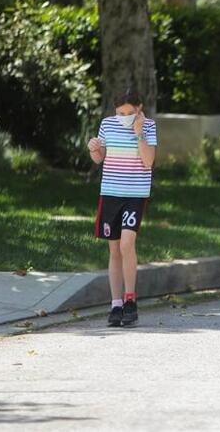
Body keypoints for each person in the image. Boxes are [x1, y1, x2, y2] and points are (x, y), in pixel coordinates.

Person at [87, 89, 157, 327]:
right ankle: (116, 303)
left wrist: (139, 134)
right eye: (120, 113)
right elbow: (101, 158)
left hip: (135, 195)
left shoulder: (148, 127)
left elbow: (148, 161)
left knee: (128, 243)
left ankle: (130, 299)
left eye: (129, 112)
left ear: (139, 109)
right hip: (110, 194)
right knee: (114, 249)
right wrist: (94, 149)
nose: (125, 116)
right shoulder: (107, 124)